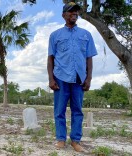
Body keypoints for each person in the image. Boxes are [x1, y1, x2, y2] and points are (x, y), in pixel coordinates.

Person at [47, 2, 97, 152]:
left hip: (79, 78)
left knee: (77, 110)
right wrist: (51, 79)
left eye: (76, 12)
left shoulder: (86, 35)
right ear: (64, 15)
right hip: (61, 77)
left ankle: (76, 141)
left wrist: (89, 78)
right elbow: (50, 59)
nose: (74, 14)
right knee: (59, 111)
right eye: (71, 11)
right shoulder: (55, 35)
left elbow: (89, 58)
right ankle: (61, 139)